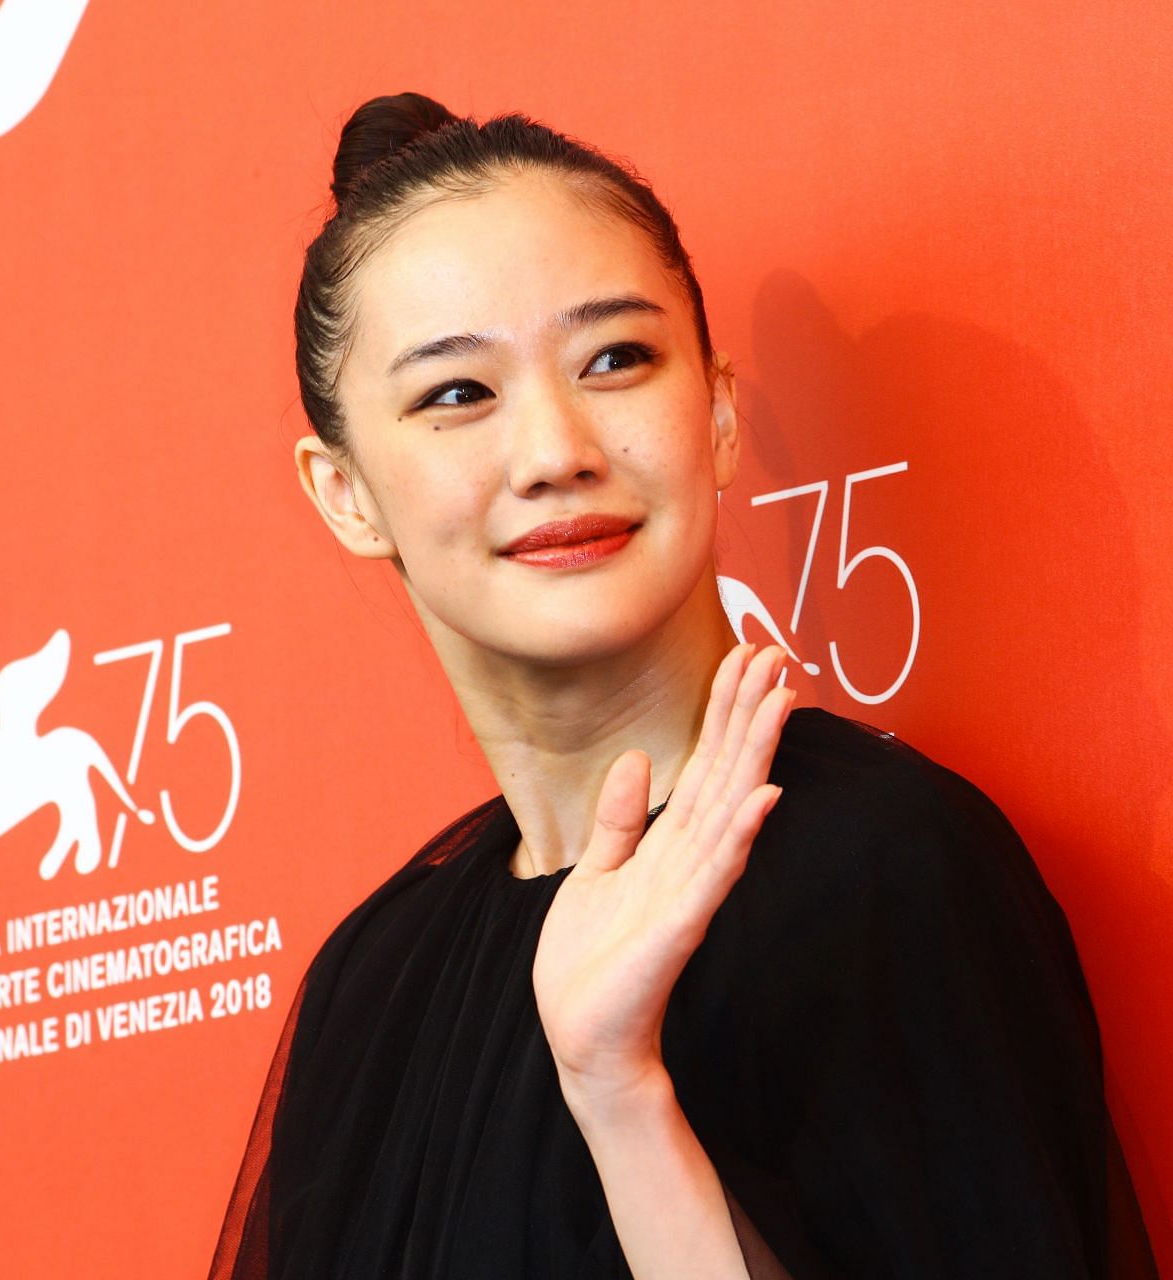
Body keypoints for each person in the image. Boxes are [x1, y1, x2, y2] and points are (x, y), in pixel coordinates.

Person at [206, 91, 1160, 1279]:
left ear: (712, 411)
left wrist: (618, 1091)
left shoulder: (877, 872)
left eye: (617, 359)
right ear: (343, 490)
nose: (556, 449)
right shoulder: (375, 983)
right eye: (457, 393)